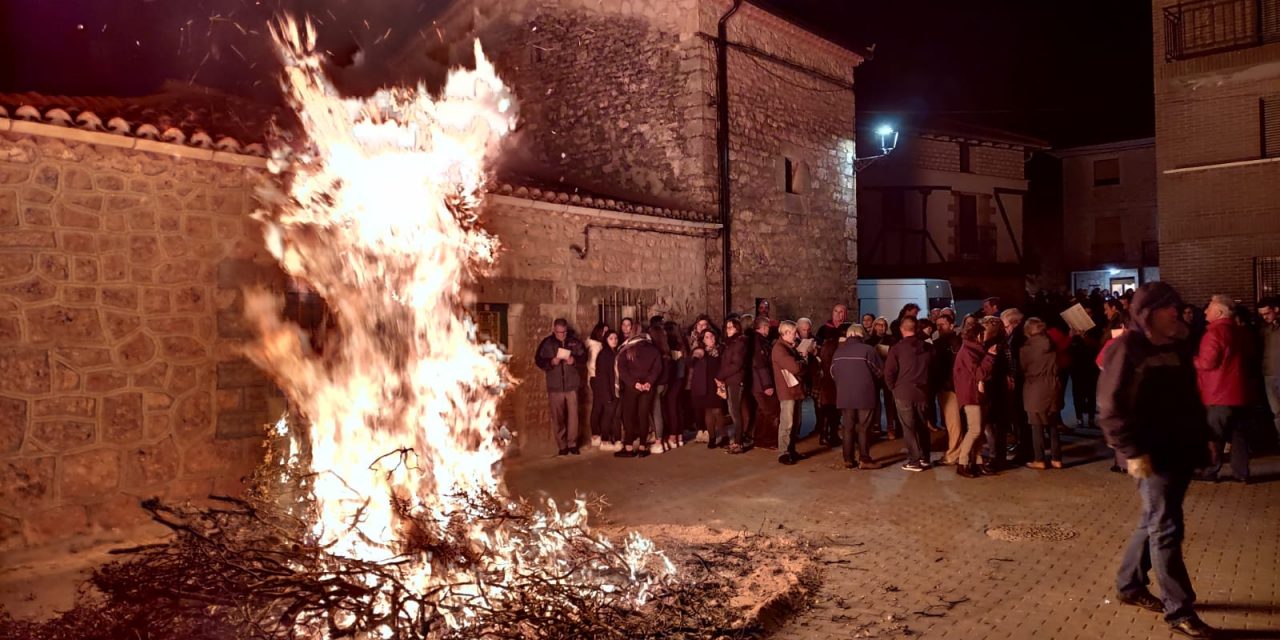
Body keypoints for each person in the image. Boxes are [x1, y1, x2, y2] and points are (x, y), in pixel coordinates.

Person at [1098, 282, 1215, 639]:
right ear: (1148, 313)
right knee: (1166, 527)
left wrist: (1205, 437)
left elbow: (1187, 399)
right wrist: (1131, 452)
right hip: (1149, 454)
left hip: (1178, 449)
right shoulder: (1127, 348)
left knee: (1153, 519)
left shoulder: (1176, 346)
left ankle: (1129, 584)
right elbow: (1110, 407)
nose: (1177, 313)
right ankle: (1179, 609)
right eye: (1169, 308)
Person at [1193, 295, 1253, 484]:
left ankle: (1210, 471)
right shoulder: (1241, 332)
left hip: (1217, 394)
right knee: (1239, 436)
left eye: (1209, 308)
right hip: (1240, 392)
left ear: (1218, 312)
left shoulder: (1214, 333)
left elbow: (1208, 362)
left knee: (1214, 436)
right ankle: (1241, 473)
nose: (1205, 311)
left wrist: (1192, 360)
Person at [884, 316, 934, 472]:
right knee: (922, 426)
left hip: (904, 392)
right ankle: (925, 457)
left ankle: (914, 460)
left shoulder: (897, 348)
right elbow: (934, 369)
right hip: (922, 391)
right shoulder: (927, 347)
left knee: (908, 427)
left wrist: (893, 388)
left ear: (901, 329)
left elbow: (889, 372)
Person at [830, 324, 882, 469]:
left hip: (844, 395)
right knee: (864, 428)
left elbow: (833, 373)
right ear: (862, 334)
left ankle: (848, 459)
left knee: (848, 428)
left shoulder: (838, 352)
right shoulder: (868, 350)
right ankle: (864, 459)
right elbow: (879, 372)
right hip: (865, 394)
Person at [953, 322, 999, 478]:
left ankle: (977, 462)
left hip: (977, 394)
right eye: (984, 333)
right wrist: (990, 357)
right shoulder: (968, 352)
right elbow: (979, 373)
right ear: (978, 335)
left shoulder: (975, 350)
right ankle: (963, 461)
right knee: (975, 430)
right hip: (971, 395)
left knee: (978, 431)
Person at [535, 319, 587, 456]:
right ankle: (562, 445)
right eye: (559, 332)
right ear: (554, 330)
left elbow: (584, 357)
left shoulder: (574, 342)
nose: (562, 335)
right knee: (557, 418)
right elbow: (538, 361)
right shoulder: (547, 343)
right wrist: (551, 362)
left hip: (571, 386)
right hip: (555, 387)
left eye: (564, 332)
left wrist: (574, 360)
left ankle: (572, 444)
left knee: (574, 417)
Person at [1020, 318, 1062, 469]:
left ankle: (1039, 459)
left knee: (1036, 425)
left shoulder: (1026, 349)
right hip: (1053, 386)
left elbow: (1023, 368)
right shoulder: (1051, 345)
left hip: (1035, 388)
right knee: (1053, 424)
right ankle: (1057, 459)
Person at [615, 328, 662, 458]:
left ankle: (629, 447)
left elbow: (622, 368)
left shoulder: (627, 349)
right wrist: (649, 382)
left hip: (632, 387)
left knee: (629, 416)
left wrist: (634, 383)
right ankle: (642, 447)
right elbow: (657, 368)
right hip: (648, 388)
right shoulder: (653, 349)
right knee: (643, 416)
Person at [772, 320, 807, 465]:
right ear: (785, 333)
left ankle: (791, 450)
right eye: (794, 333)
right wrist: (803, 359)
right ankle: (783, 453)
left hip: (794, 390)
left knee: (795, 422)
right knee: (787, 422)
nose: (796, 336)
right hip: (787, 391)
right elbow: (796, 368)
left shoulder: (788, 347)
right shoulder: (779, 349)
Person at [931, 314, 964, 466]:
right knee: (955, 421)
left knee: (953, 422)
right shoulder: (956, 342)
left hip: (949, 387)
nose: (939, 327)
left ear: (951, 325)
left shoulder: (948, 343)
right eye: (937, 324)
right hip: (951, 386)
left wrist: (945, 383)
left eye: (942, 324)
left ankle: (953, 454)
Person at [688, 328, 728, 448]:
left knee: (717, 410)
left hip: (717, 383)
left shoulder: (721, 350)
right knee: (708, 411)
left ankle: (723, 435)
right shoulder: (700, 351)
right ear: (703, 340)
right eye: (707, 337)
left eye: (712, 336)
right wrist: (695, 355)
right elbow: (690, 363)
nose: (710, 339)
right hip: (704, 385)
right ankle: (712, 437)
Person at [716, 318, 749, 454]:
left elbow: (736, 364)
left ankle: (738, 442)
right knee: (734, 411)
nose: (728, 330)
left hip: (735, 381)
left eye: (731, 327)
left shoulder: (739, 343)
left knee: (735, 412)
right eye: (727, 327)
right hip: (730, 380)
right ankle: (737, 440)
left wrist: (720, 376)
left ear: (737, 328)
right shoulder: (730, 343)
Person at [750, 315, 781, 449]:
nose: (769, 329)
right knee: (772, 412)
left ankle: (759, 439)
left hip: (757, 383)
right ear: (763, 327)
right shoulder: (759, 343)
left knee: (762, 411)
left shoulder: (758, 340)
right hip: (761, 384)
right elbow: (760, 365)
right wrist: (767, 385)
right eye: (768, 326)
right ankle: (768, 440)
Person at [591, 330, 621, 450]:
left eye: (615, 338)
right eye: (611, 338)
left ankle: (612, 439)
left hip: (614, 389)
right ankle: (604, 440)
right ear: (606, 340)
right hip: (608, 391)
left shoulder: (614, 353)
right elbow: (603, 377)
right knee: (607, 416)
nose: (614, 340)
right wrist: (608, 395)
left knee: (613, 415)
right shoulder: (604, 355)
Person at [663, 321, 687, 450]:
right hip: (680, 379)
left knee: (671, 407)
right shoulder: (681, 344)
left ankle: (673, 435)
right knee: (677, 407)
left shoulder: (671, 346)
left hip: (674, 380)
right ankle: (679, 436)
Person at [585, 322, 610, 448]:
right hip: (597, 378)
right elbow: (593, 364)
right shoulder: (596, 346)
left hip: (595, 378)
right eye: (604, 332)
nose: (606, 334)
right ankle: (596, 434)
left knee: (598, 406)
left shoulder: (596, 344)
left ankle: (596, 434)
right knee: (598, 407)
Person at [1261, 298, 1280, 442]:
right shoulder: (1265, 329)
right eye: (1262, 314)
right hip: (1269, 373)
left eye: (1267, 313)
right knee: (1276, 411)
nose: (1265, 317)